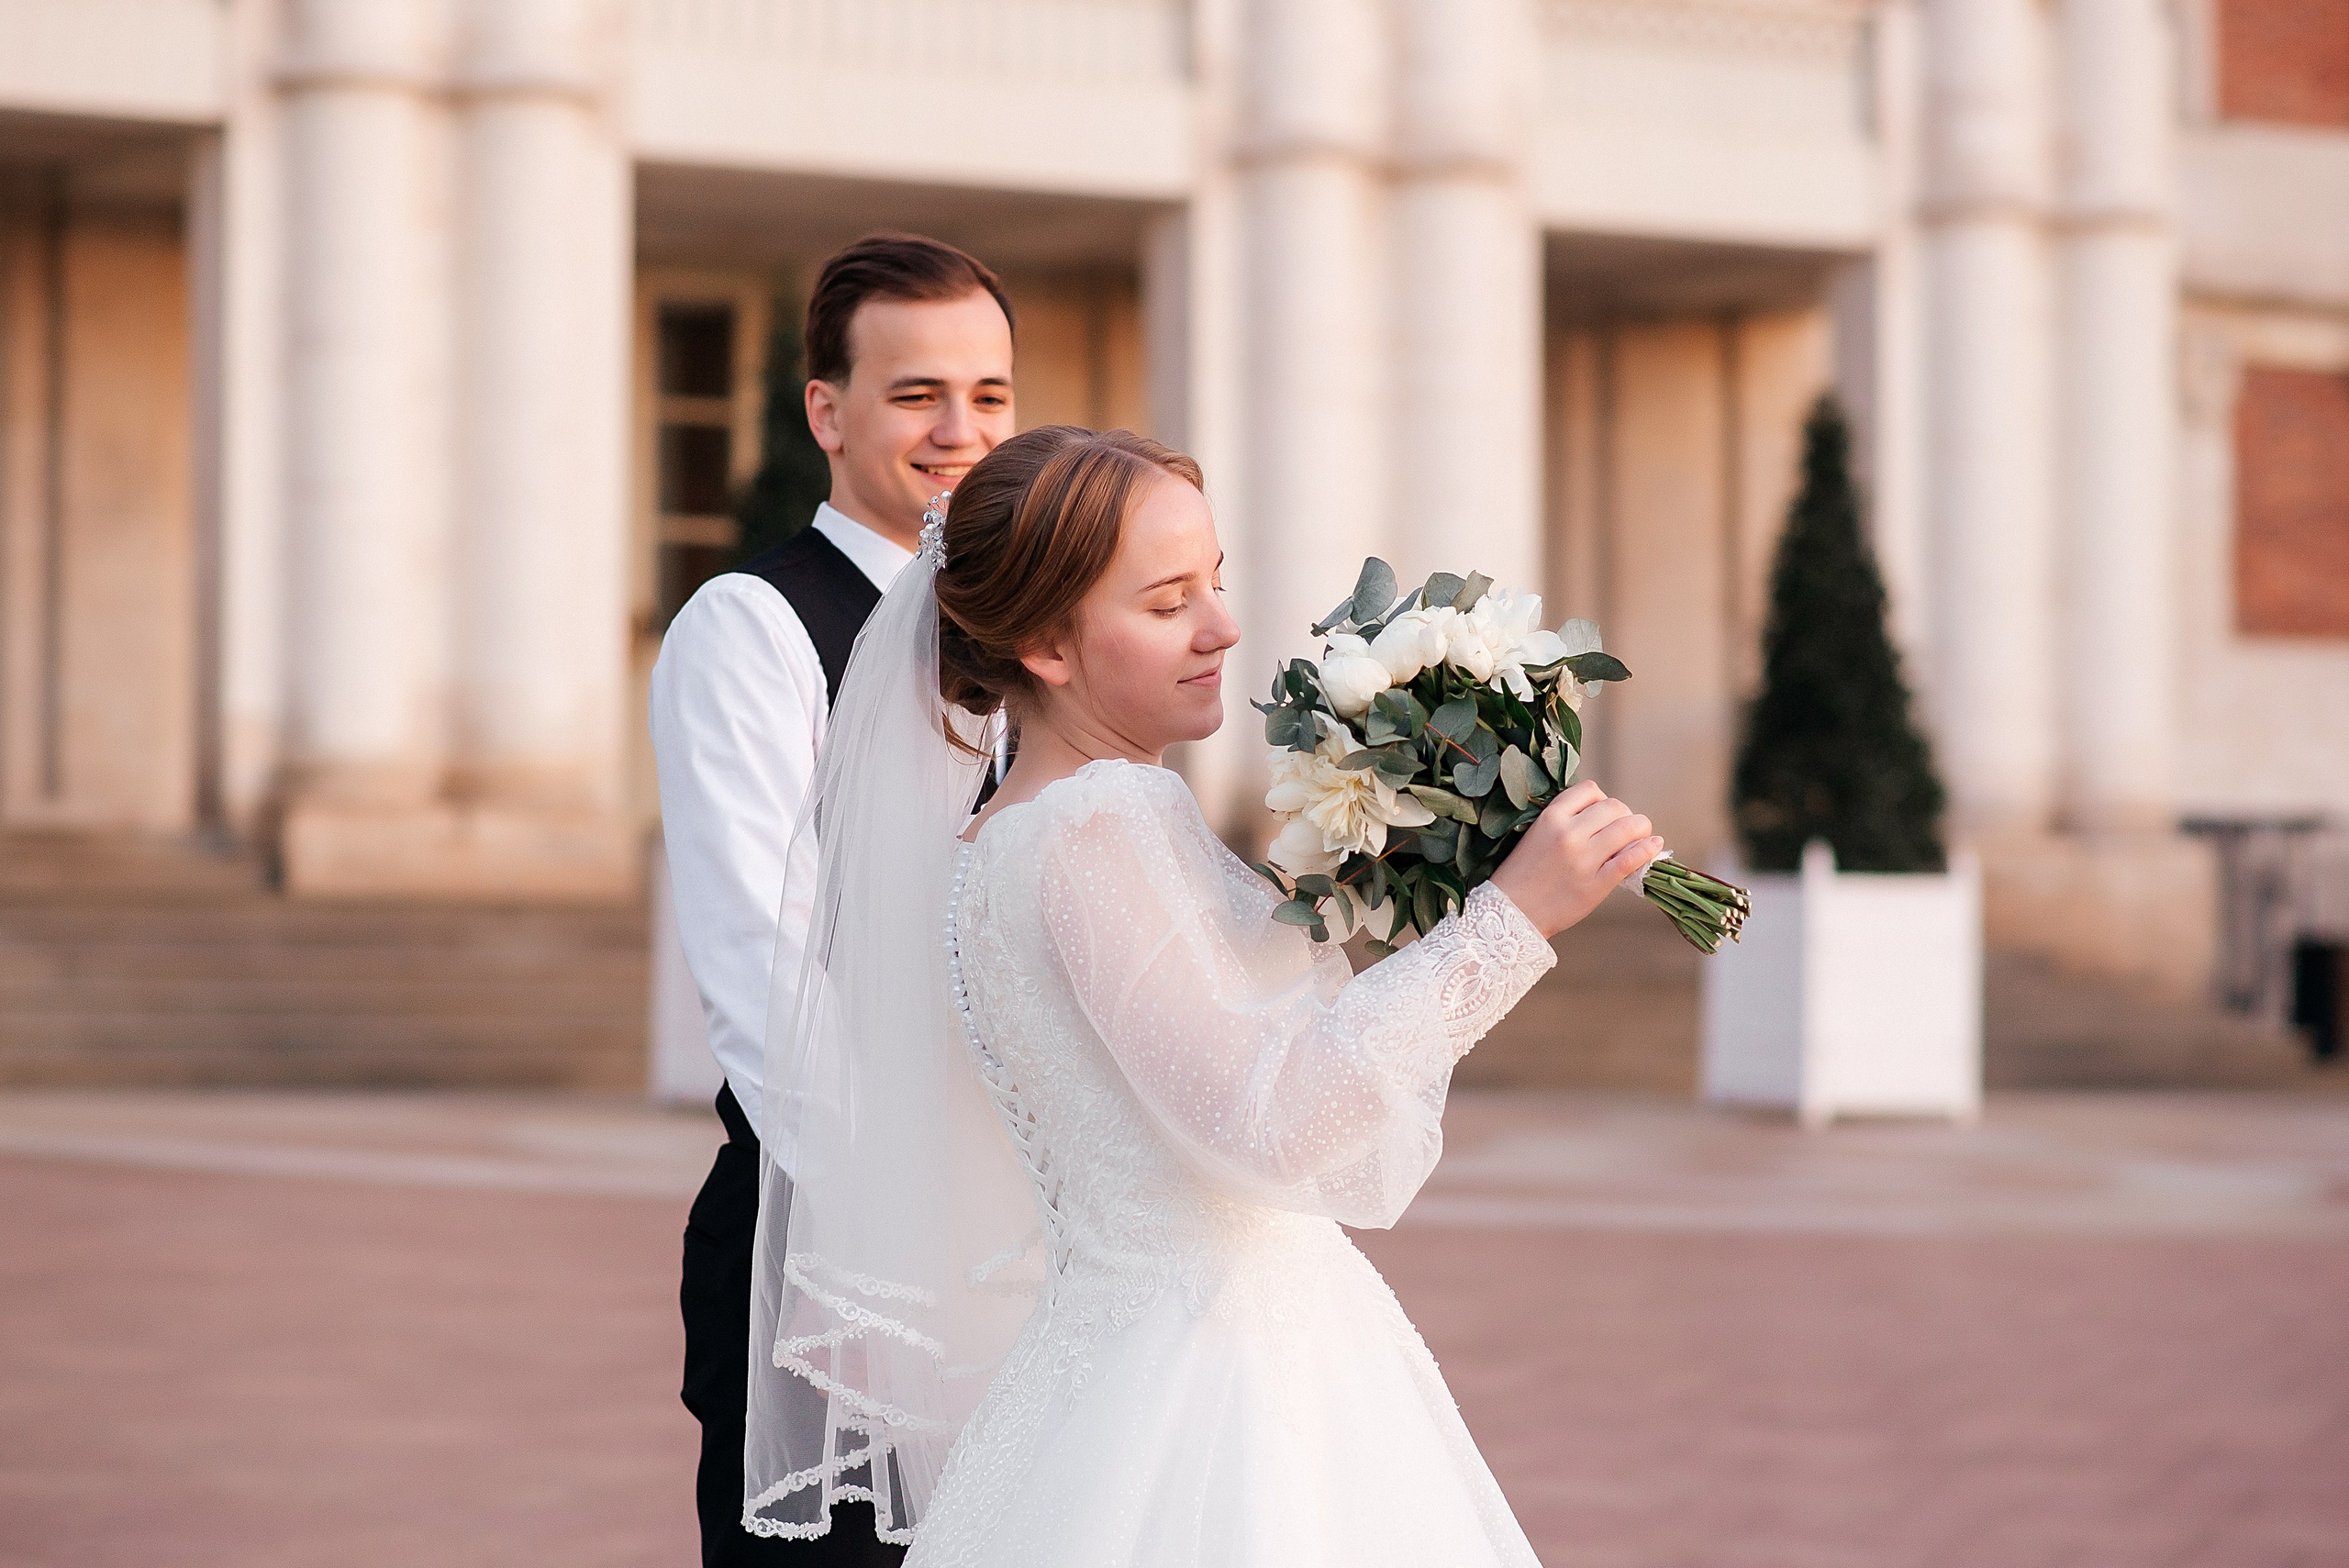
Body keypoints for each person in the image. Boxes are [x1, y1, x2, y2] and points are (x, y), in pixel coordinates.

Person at [743, 425, 1663, 1564]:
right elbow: (1270, 1122)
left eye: (1215, 581)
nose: (1222, 626)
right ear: (1044, 644)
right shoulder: (1097, 825)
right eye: (1168, 601)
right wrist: (1507, 924)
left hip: (1116, 1361)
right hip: (1219, 1379)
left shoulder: (1007, 836)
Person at [651, 232, 1017, 1567]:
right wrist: (898, 1243)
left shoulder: (1020, 635)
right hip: (823, 1249)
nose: (960, 430)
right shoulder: (749, 627)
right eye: (918, 393)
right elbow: (766, 974)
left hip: (1010, 1252)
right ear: (827, 411)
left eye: (988, 394)